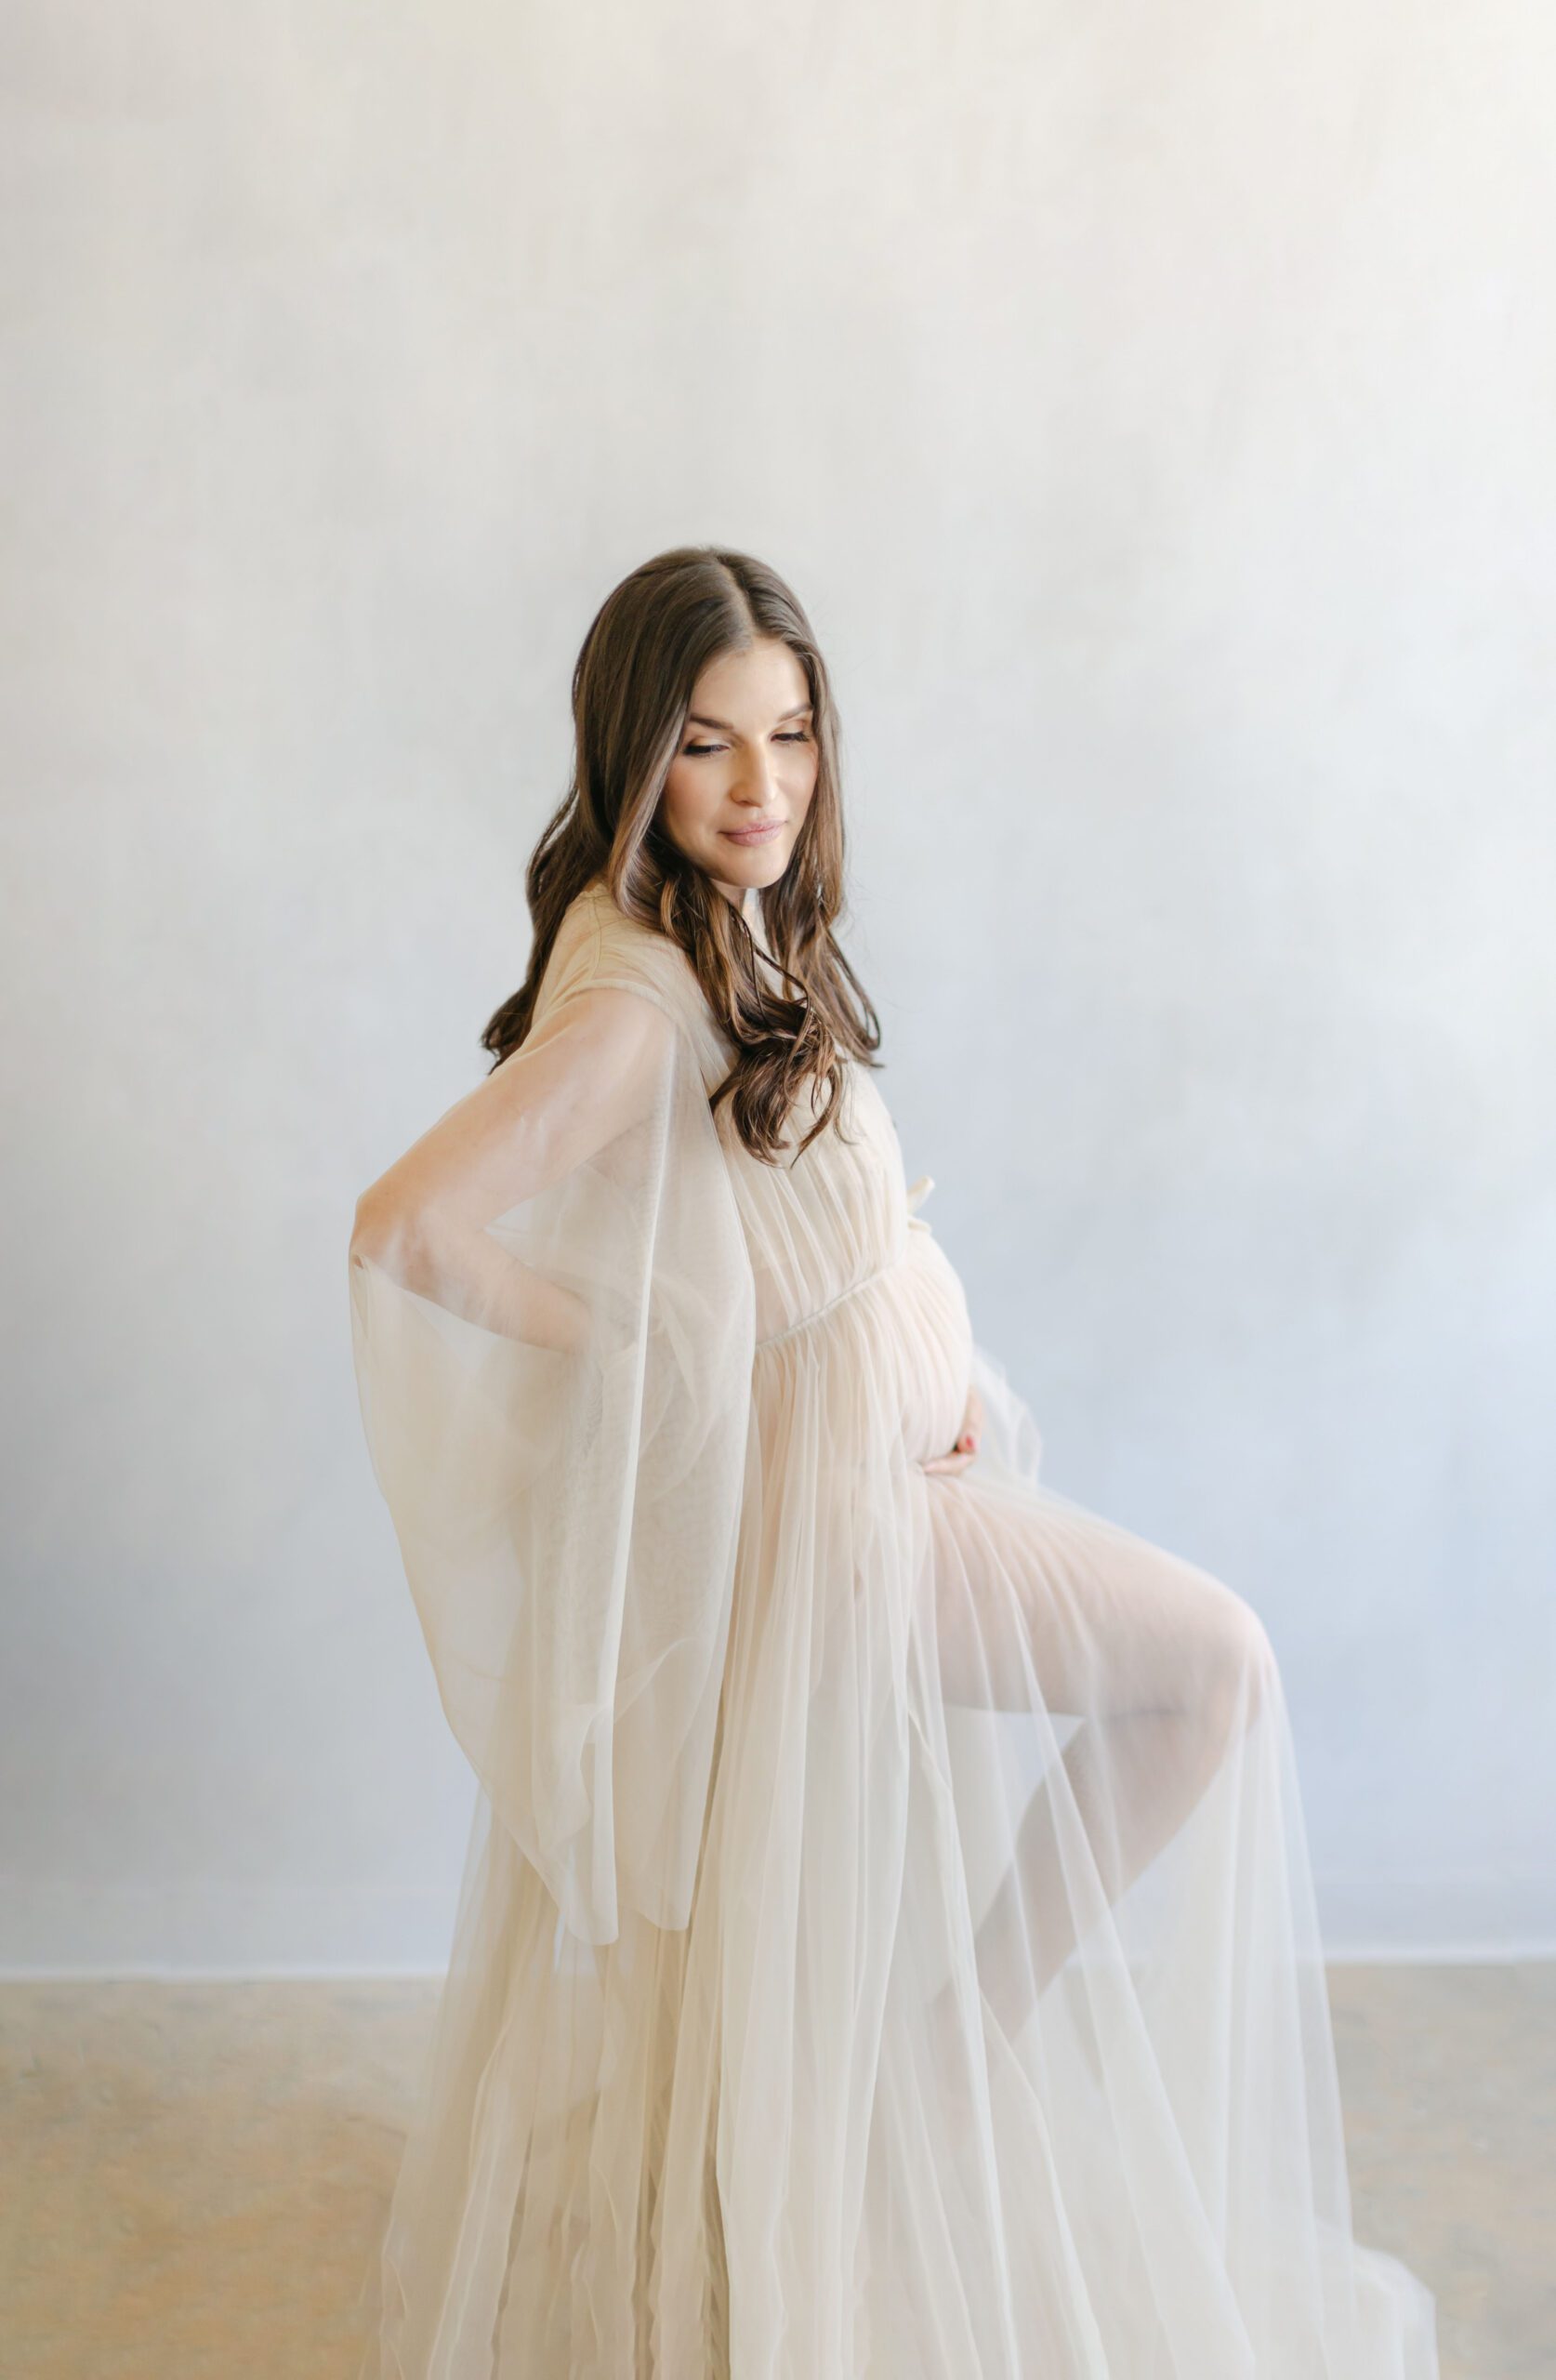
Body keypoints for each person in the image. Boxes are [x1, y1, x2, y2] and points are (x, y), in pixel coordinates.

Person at [347, 546, 1440, 2379]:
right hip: (829, 1535)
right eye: (709, 746)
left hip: (888, 1484)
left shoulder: (730, 927)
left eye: (792, 735)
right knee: (1217, 1667)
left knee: (1180, 1691)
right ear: (635, 758)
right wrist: (644, 1349)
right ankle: (946, 2060)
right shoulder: (633, 998)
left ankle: (919, 2068)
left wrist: (909, 1361)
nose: (763, 785)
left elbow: (788, 1229)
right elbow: (409, 1226)